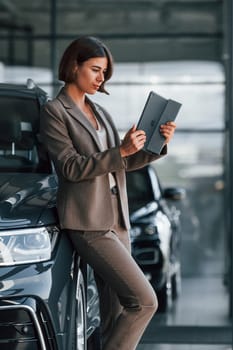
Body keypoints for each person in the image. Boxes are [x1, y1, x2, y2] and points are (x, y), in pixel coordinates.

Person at [40, 36, 176, 350]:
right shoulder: (55, 111)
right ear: (74, 66)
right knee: (144, 301)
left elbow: (122, 163)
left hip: (117, 220)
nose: (101, 79)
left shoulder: (99, 112)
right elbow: (71, 168)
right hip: (88, 222)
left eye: (105, 73)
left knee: (116, 313)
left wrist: (156, 145)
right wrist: (120, 151)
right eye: (95, 70)